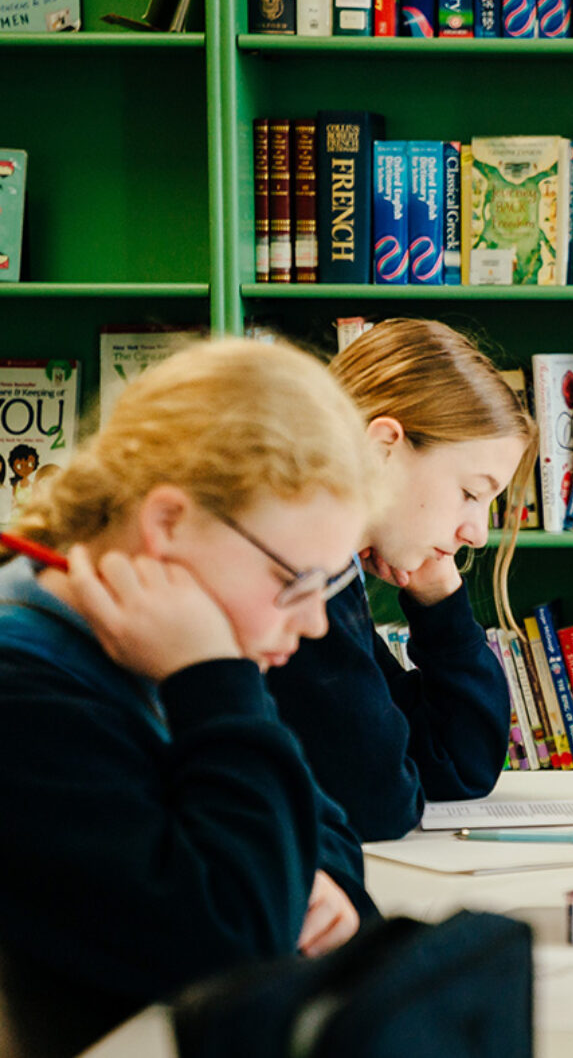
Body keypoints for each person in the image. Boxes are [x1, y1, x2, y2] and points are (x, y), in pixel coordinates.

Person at [0, 338, 384, 1058]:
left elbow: (324, 820)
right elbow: (233, 945)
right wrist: (214, 679)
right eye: (294, 582)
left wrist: (320, 877)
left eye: (329, 588)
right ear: (169, 523)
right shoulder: (27, 688)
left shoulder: (157, 655)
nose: (315, 622)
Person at [265, 318, 536, 841]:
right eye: (471, 493)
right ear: (383, 448)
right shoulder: (299, 570)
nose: (477, 534)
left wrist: (438, 597)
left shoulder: (333, 569)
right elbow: (378, 801)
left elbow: (456, 769)